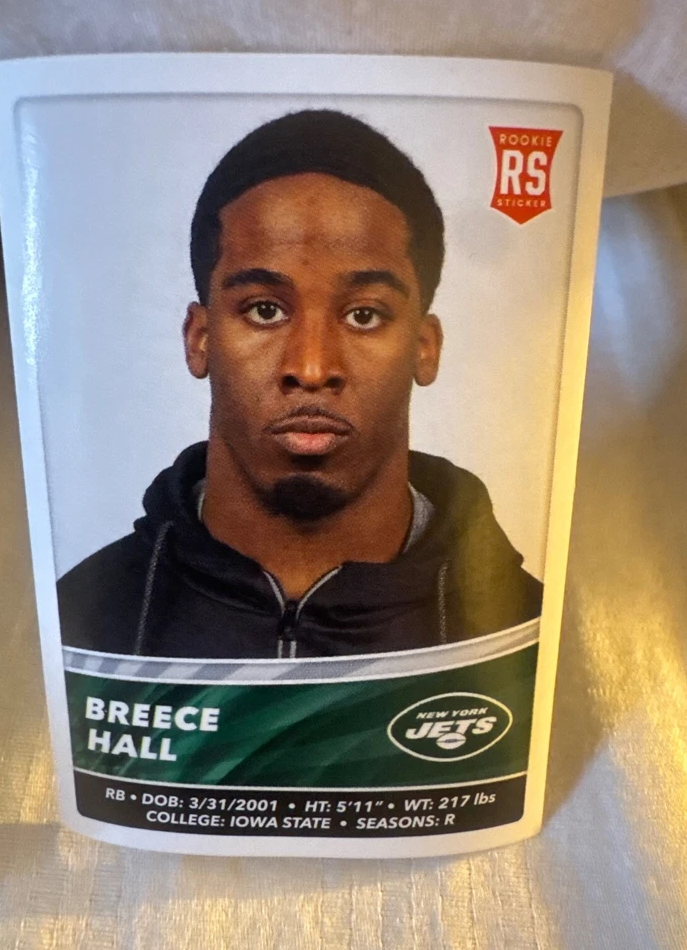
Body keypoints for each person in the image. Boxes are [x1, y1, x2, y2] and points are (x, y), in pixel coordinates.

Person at [58, 109, 543, 659]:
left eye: (364, 315)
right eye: (265, 310)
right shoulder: (78, 623)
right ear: (199, 339)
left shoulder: (529, 633)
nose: (311, 368)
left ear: (425, 347)